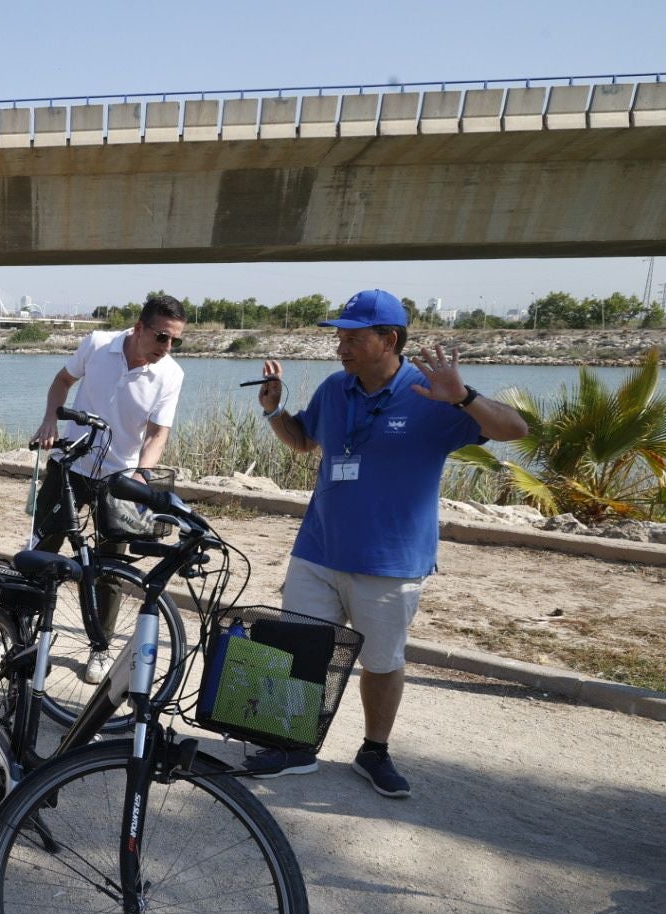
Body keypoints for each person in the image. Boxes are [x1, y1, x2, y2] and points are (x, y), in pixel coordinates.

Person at [246, 289, 529, 797]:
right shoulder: (335, 389)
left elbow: (516, 429)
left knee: (381, 662)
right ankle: (294, 745)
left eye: (353, 337)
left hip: (389, 561)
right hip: (317, 549)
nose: (341, 346)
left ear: (389, 340)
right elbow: (304, 441)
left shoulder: (432, 394)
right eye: (339, 336)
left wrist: (464, 397)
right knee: (301, 649)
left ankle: (373, 751)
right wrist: (274, 411)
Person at [31, 293, 187, 684]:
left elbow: (158, 432)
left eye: (175, 341)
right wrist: (50, 420)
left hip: (118, 478)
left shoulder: (171, 375)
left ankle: (98, 649)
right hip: (70, 465)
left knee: (110, 569)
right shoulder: (98, 344)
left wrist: (141, 475)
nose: (167, 348)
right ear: (138, 329)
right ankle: (19, 630)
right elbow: (62, 381)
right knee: (41, 550)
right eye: (161, 337)